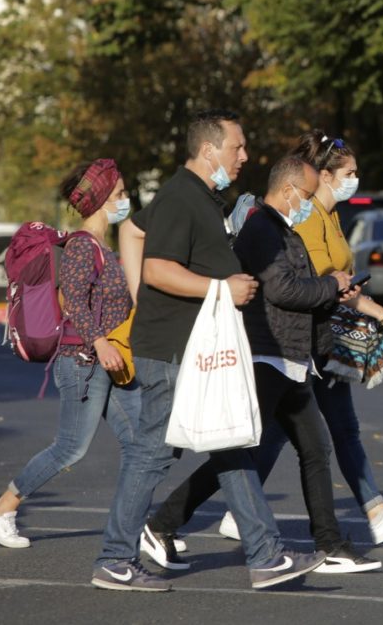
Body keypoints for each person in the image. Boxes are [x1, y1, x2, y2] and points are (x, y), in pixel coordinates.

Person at [91, 109, 325, 592]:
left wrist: (144, 301)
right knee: (151, 456)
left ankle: (265, 555)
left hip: (191, 351)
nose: (245, 156)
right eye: (237, 147)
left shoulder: (197, 196)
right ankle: (115, 558)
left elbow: (134, 232)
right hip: (175, 353)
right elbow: (158, 269)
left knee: (231, 446)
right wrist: (221, 288)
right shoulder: (182, 197)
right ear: (208, 150)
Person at [138, 156, 381, 575]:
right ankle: (162, 523)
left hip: (288, 356)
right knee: (238, 454)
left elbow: (295, 287)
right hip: (266, 353)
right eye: (305, 196)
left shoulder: (281, 228)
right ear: (288, 190)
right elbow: (282, 289)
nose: (308, 204)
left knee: (311, 448)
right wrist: (329, 285)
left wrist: (330, 291)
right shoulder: (262, 228)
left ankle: (329, 542)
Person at [217, 131, 383, 545]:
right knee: (312, 432)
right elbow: (308, 281)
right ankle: (365, 515)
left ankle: (242, 512)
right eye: (349, 172)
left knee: (306, 432)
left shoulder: (329, 216)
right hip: (304, 338)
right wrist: (380, 312)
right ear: (327, 176)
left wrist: (361, 301)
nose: (356, 178)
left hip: (320, 335)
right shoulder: (308, 216)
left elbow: (336, 280)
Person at [0, 159, 138, 549]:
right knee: (71, 447)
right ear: (100, 202)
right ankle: (1, 508)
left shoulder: (104, 246)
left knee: (140, 441)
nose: (126, 200)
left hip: (105, 359)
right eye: (119, 194)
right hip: (82, 362)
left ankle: (137, 526)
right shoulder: (84, 246)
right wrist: (99, 342)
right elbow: (74, 303)